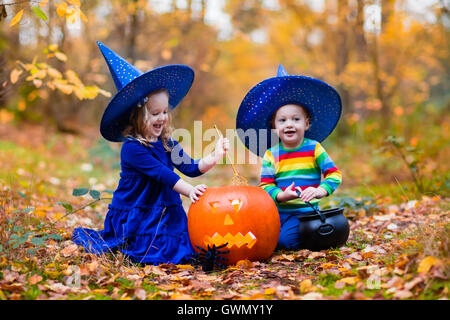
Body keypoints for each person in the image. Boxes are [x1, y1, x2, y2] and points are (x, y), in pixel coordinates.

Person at [72, 42, 229, 265]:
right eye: (155, 113)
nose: (162, 118)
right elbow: (161, 173)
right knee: (153, 250)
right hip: (139, 212)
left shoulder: (167, 142)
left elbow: (191, 167)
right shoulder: (132, 148)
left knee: (180, 247)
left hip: (165, 211)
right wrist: (189, 191)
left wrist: (214, 156)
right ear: (136, 117)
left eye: (165, 112)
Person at [236, 64, 342, 250]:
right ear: (274, 126)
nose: (289, 124)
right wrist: (282, 195)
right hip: (277, 212)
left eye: (296, 119)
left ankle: (311, 234)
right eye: (282, 120)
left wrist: (320, 191)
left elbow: (334, 175)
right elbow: (266, 186)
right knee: (258, 239)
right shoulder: (271, 154)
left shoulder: (314, 148)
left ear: (307, 123)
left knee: (284, 243)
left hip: (305, 213)